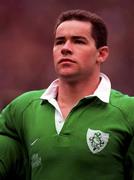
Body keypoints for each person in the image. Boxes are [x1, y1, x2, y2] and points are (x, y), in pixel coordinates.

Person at [0, 9, 134, 179]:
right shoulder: (22, 109)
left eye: (78, 41)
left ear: (101, 54)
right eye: (59, 42)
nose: (65, 48)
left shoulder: (128, 112)